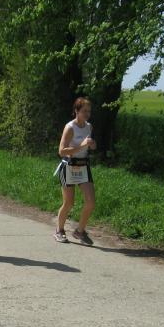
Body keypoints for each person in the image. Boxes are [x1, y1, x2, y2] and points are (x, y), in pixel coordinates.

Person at [54, 97, 96, 245]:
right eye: (84, 111)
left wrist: (92, 145)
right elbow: (61, 151)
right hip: (69, 166)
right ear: (76, 111)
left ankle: (79, 231)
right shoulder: (70, 127)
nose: (87, 114)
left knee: (91, 202)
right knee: (69, 203)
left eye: (89, 111)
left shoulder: (89, 127)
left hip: (83, 166)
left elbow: (90, 146)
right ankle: (59, 230)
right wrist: (82, 146)